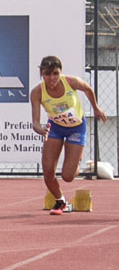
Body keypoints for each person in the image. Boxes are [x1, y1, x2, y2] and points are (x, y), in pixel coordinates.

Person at [30, 55, 107, 215]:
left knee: (68, 176)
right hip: (55, 128)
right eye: (47, 74)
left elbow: (87, 89)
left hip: (76, 128)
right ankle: (61, 201)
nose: (52, 78)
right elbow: (36, 121)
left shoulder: (71, 82)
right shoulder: (37, 92)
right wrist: (40, 129)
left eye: (55, 74)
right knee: (48, 171)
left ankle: (77, 160)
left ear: (60, 73)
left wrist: (96, 108)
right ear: (41, 74)